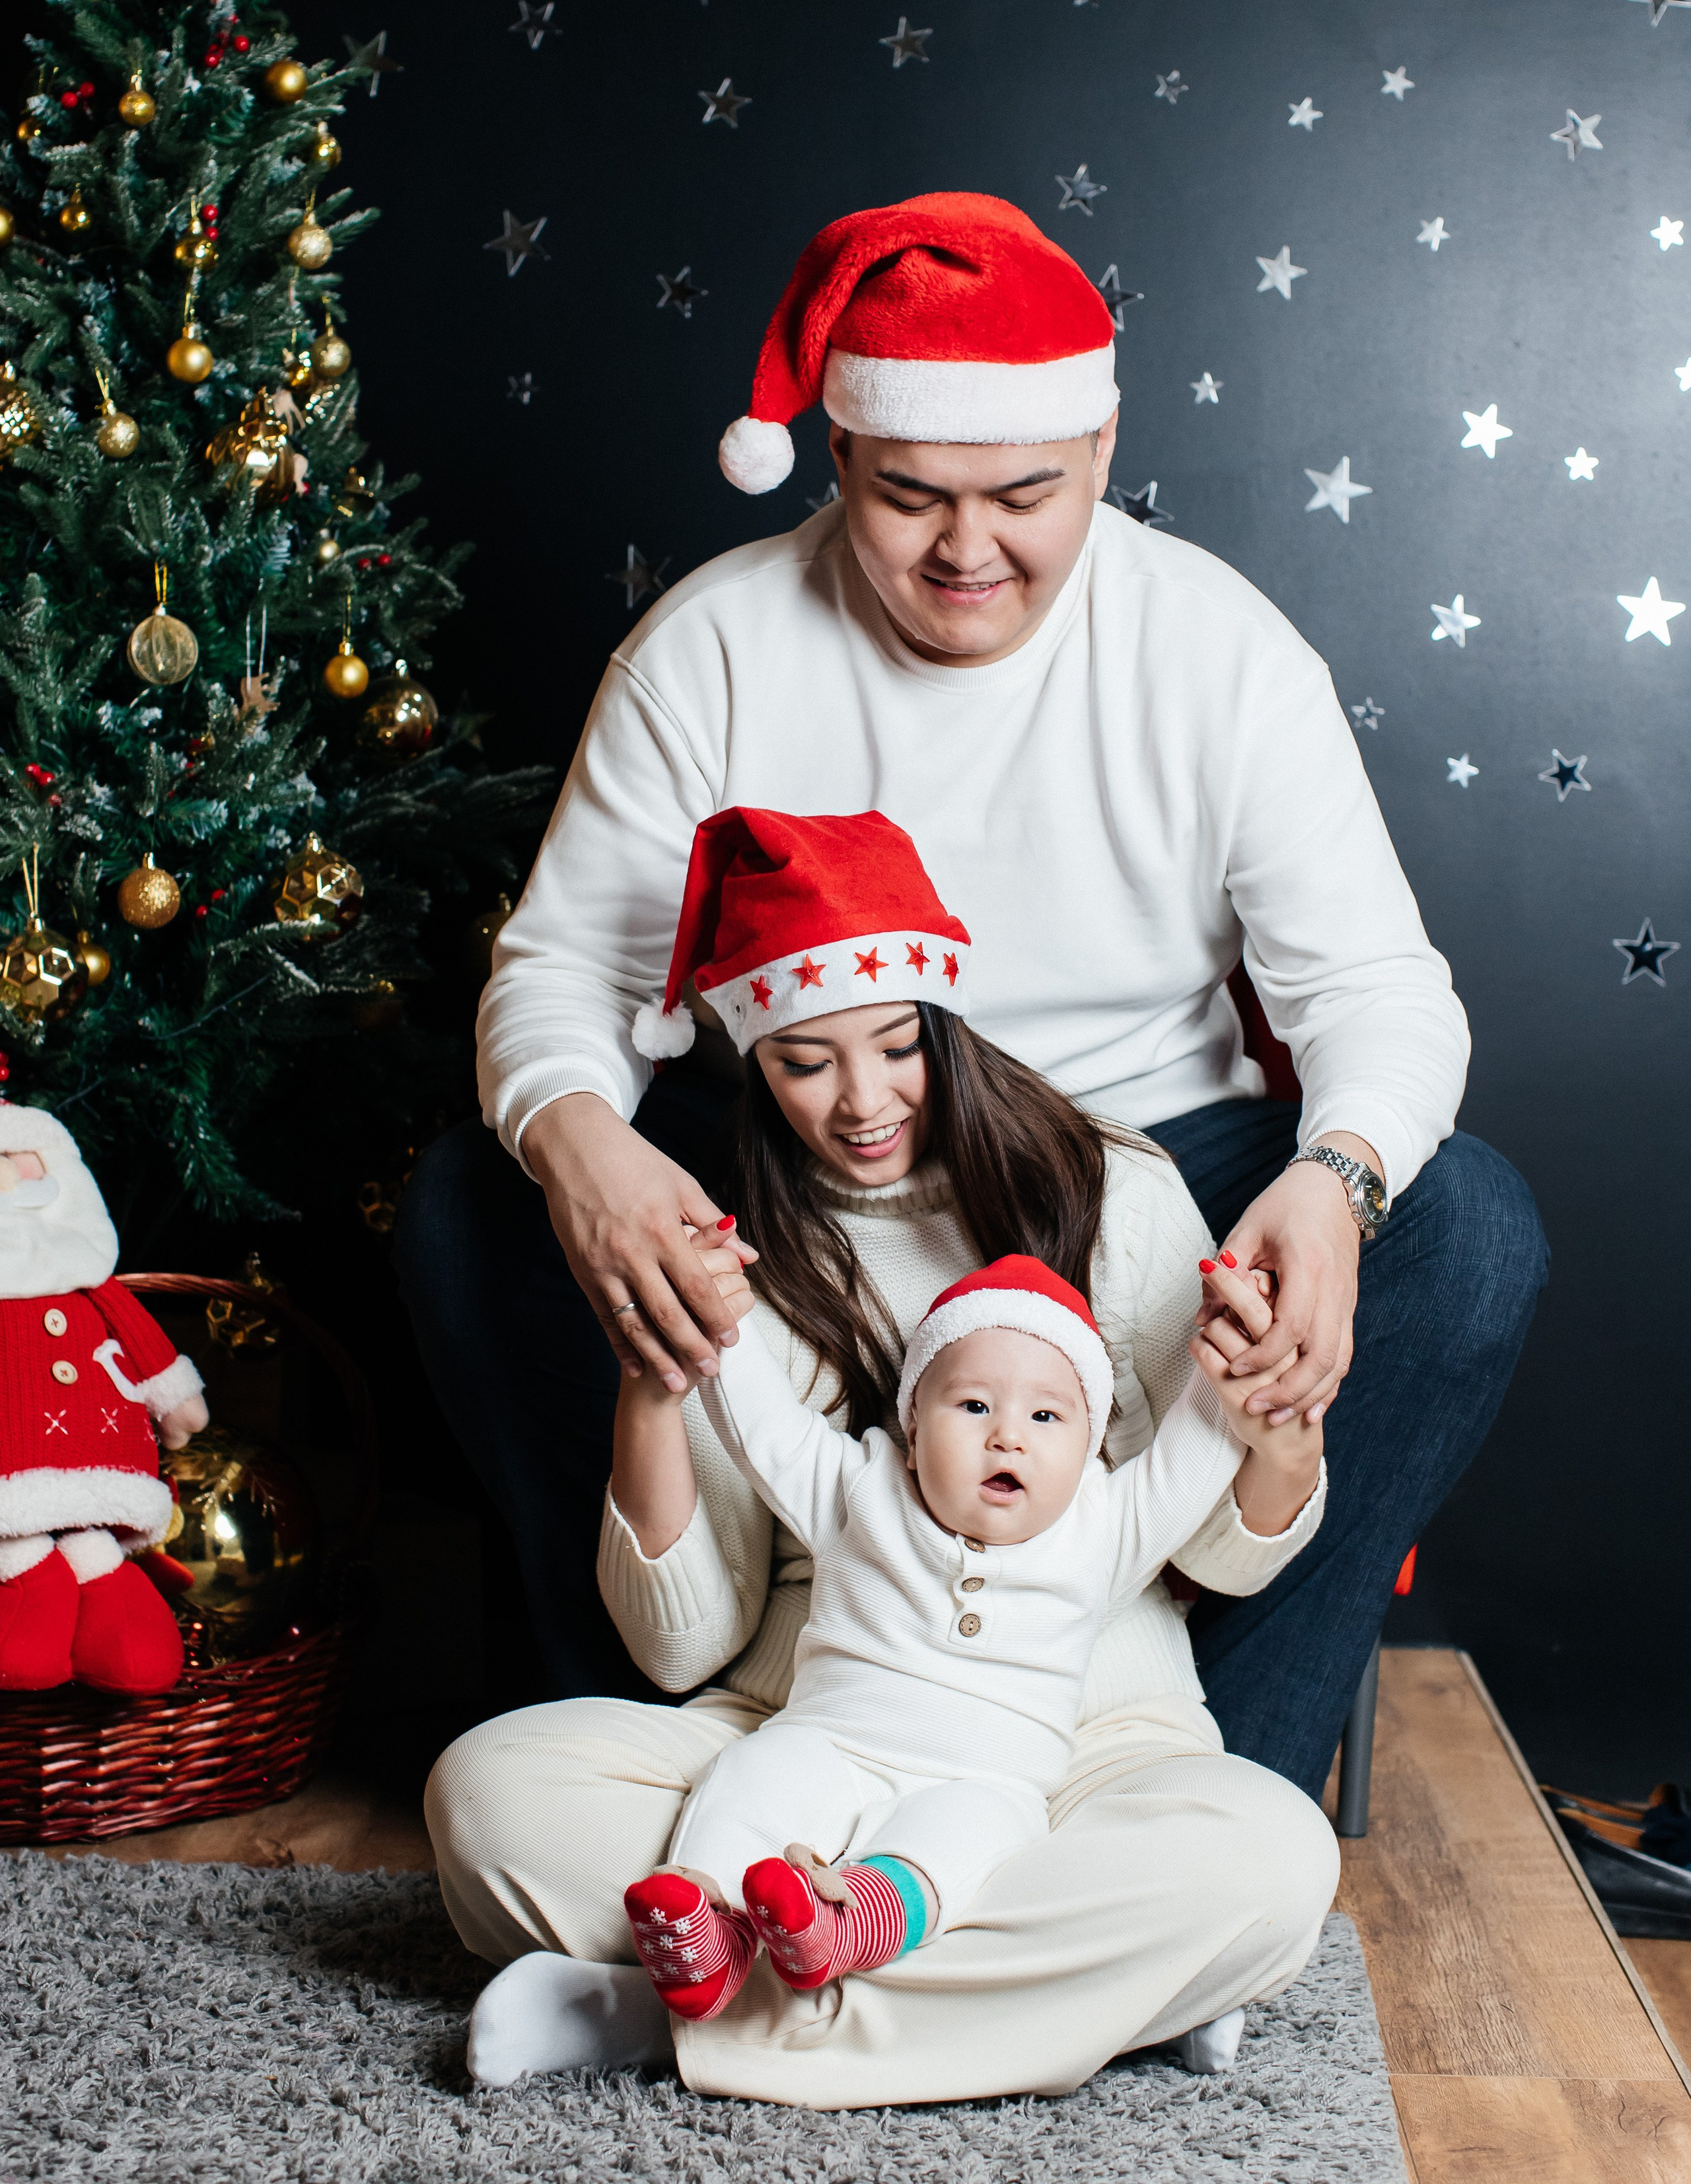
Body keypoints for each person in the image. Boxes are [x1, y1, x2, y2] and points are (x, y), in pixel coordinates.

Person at [398, 188, 1548, 1796]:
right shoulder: (712, 647)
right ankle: (648, 1752)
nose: (966, 550)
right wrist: (581, 1145)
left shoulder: (1217, 650)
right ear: (837, 458)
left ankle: (1197, 1781)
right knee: (476, 1200)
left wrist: (1335, 1183)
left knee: (1467, 1227)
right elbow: (562, 974)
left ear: (1101, 444)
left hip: (1131, 1166)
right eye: (908, 496)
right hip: (795, 1172)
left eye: (1022, 495)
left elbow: (1377, 990)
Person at [427, 808, 1339, 2107]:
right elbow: (682, 1650)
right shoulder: (732, 1264)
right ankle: (1095, 1999)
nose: (861, 1103)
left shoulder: (1118, 1194)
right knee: (490, 1799)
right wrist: (655, 1378)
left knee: (1270, 1859)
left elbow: (1221, 1555)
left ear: (947, 1024)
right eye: (804, 1062)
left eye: (898, 1046)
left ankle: (643, 2011)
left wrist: (1274, 1413)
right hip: (798, 1730)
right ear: (753, 1060)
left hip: (1086, 1749)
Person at [620, 1244, 1325, 2023]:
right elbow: (762, 1424)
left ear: (1088, 1447)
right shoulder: (858, 1488)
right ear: (913, 1427)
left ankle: (846, 1927)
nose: (1007, 1437)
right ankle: (707, 1928)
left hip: (984, 1783)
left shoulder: (1102, 1527)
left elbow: (1195, 1450)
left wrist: (1236, 1346)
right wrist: (715, 1299)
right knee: (752, 1775)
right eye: (973, 1406)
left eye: (1046, 1417)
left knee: (976, 1835)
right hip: (829, 1745)